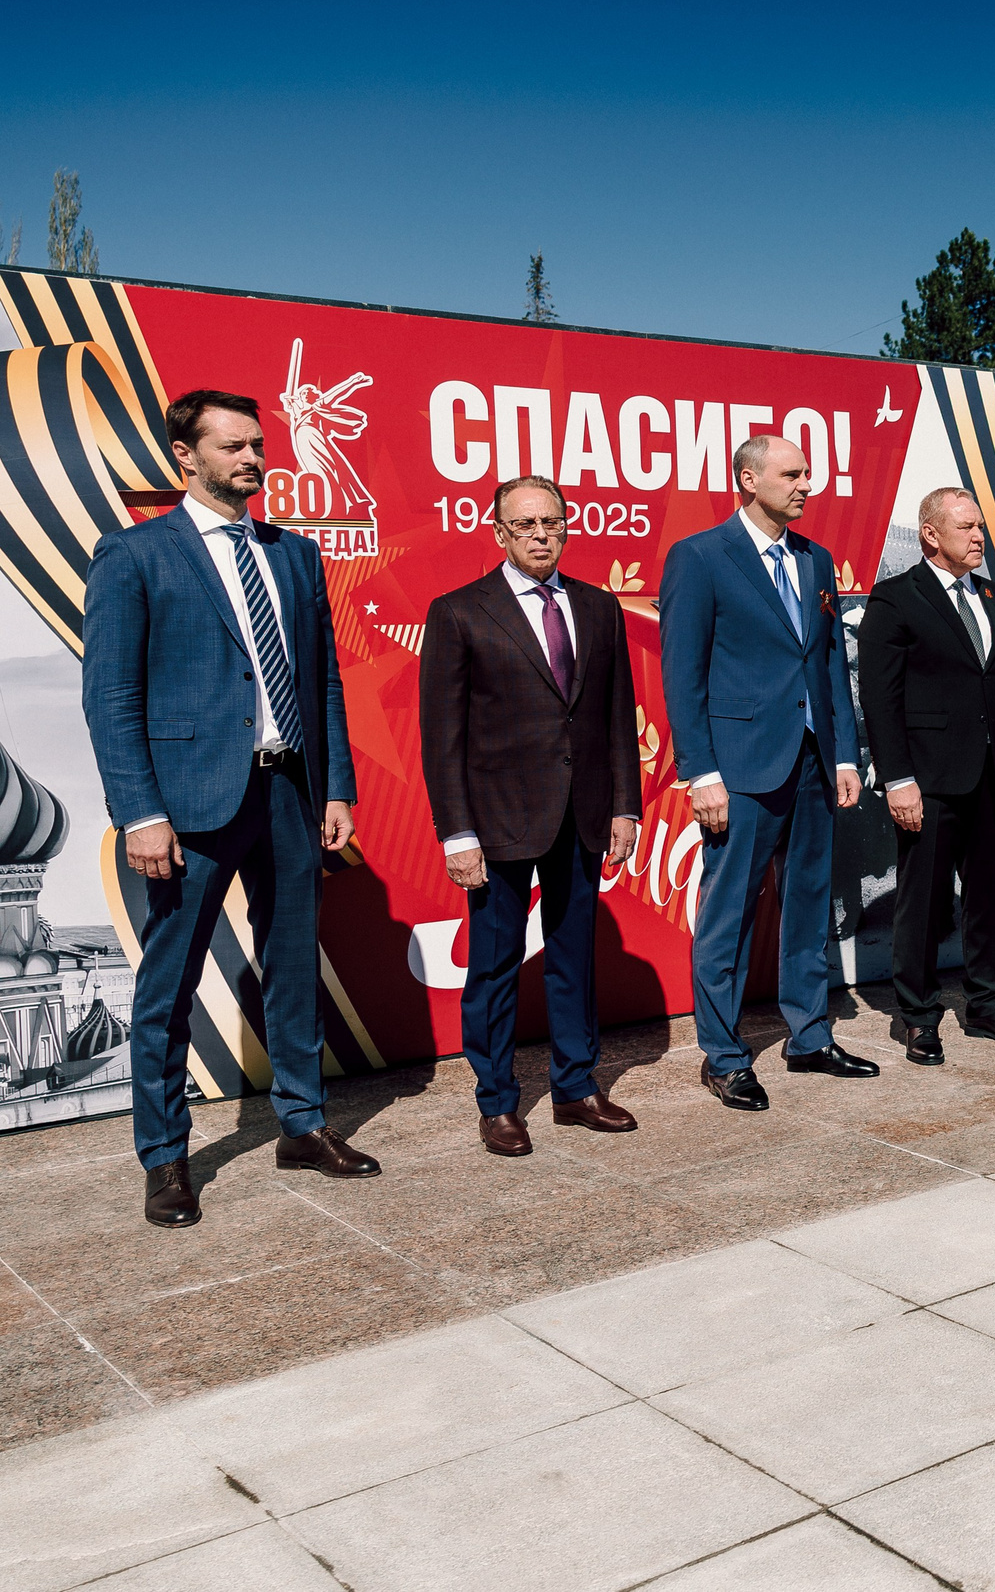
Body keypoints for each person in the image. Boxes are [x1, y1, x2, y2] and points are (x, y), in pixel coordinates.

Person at [82, 388, 373, 1228]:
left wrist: (338, 785)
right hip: (189, 801)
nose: (253, 457)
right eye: (234, 445)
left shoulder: (296, 555)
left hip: (289, 790)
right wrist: (140, 812)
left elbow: (321, 680)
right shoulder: (134, 555)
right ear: (186, 455)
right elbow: (112, 695)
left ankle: (303, 1125)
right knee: (168, 984)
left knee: (293, 969)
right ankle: (165, 1159)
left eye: (257, 443)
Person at [420, 474, 644, 1155]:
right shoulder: (459, 611)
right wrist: (457, 832)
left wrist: (626, 807)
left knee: (574, 958)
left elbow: (614, 718)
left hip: (582, 816)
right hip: (496, 822)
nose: (541, 534)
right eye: (526, 525)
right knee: (493, 964)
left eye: (552, 522)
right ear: (499, 533)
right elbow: (442, 734)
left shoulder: (599, 608)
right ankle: (497, 1103)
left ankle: (577, 1088)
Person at [661, 434, 871, 1112]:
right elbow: (682, 675)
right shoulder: (699, 557)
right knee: (729, 917)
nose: (807, 483)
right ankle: (723, 1056)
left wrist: (844, 753)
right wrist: (701, 773)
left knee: (810, 906)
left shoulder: (816, 560)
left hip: (812, 761)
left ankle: (808, 1035)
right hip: (741, 767)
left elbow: (830, 660)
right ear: (748, 479)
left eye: (807, 473)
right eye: (792, 473)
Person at [856, 487, 995, 1065]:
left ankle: (987, 1003)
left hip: (993, 776)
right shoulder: (895, 599)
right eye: (966, 527)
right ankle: (918, 1015)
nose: (979, 537)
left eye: (981, 527)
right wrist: (897, 779)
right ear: (931, 534)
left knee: (987, 895)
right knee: (925, 899)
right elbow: (881, 701)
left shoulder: (994, 596)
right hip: (930, 779)